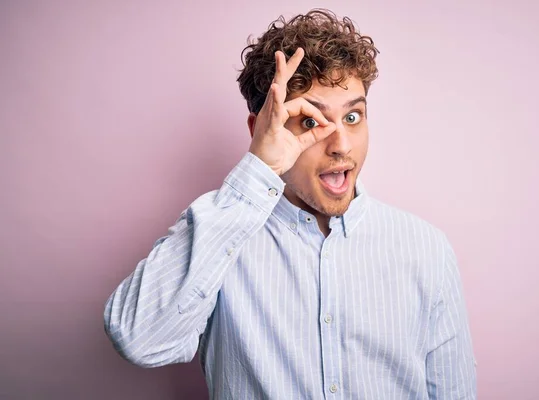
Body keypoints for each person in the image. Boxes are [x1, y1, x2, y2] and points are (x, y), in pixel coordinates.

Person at [104, 8, 477, 399]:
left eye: (353, 116)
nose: (341, 146)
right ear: (261, 130)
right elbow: (137, 338)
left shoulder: (426, 249)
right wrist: (258, 169)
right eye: (311, 121)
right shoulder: (219, 239)